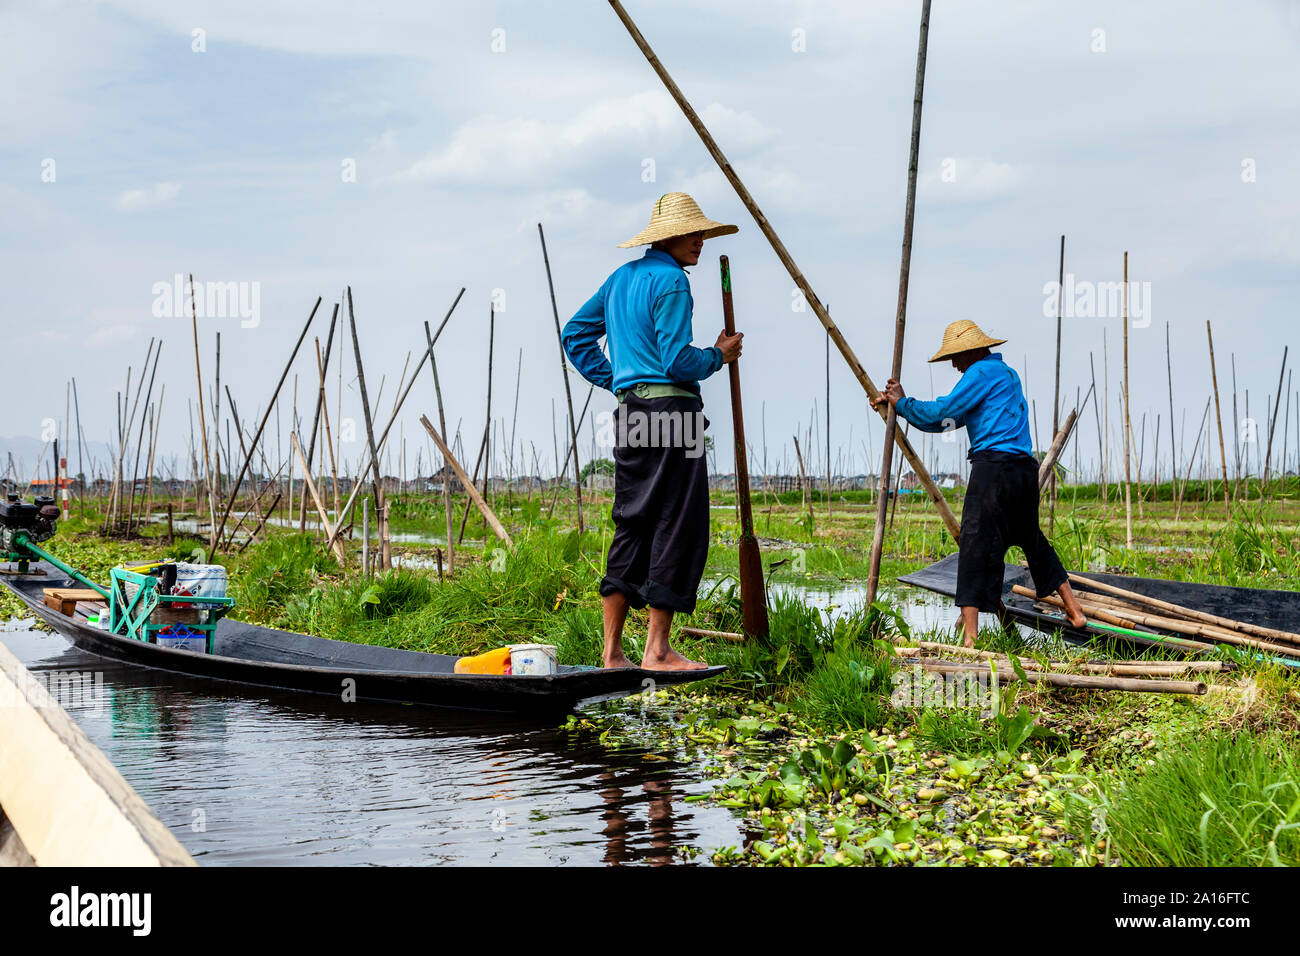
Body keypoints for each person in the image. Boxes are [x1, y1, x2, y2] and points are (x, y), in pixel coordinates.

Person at [561, 192, 744, 670]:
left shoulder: (621, 279)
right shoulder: (673, 283)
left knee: (633, 521)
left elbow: (573, 335)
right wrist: (717, 356)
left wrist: (619, 380)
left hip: (632, 413)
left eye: (702, 232)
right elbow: (677, 360)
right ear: (668, 237)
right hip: (675, 415)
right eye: (692, 233)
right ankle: (658, 650)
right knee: (677, 523)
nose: (700, 241)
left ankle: (612, 652)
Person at [871, 319, 1088, 647]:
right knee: (1032, 540)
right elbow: (948, 421)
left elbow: (940, 412)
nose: (954, 365)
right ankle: (1074, 609)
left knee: (974, 545)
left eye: (956, 357)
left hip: (994, 470)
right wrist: (898, 409)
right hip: (1023, 472)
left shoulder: (980, 373)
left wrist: (902, 403)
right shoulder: (1007, 375)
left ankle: (971, 638)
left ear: (971, 351)